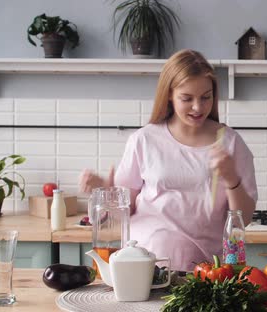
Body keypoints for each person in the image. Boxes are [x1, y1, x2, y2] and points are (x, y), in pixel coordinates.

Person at [79, 49, 257, 272]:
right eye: (187, 98)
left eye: (206, 97)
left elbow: (245, 219)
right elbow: (124, 211)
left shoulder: (230, 143)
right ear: (170, 96)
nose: (197, 107)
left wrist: (232, 179)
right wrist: (104, 191)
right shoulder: (144, 139)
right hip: (142, 265)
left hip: (204, 270)